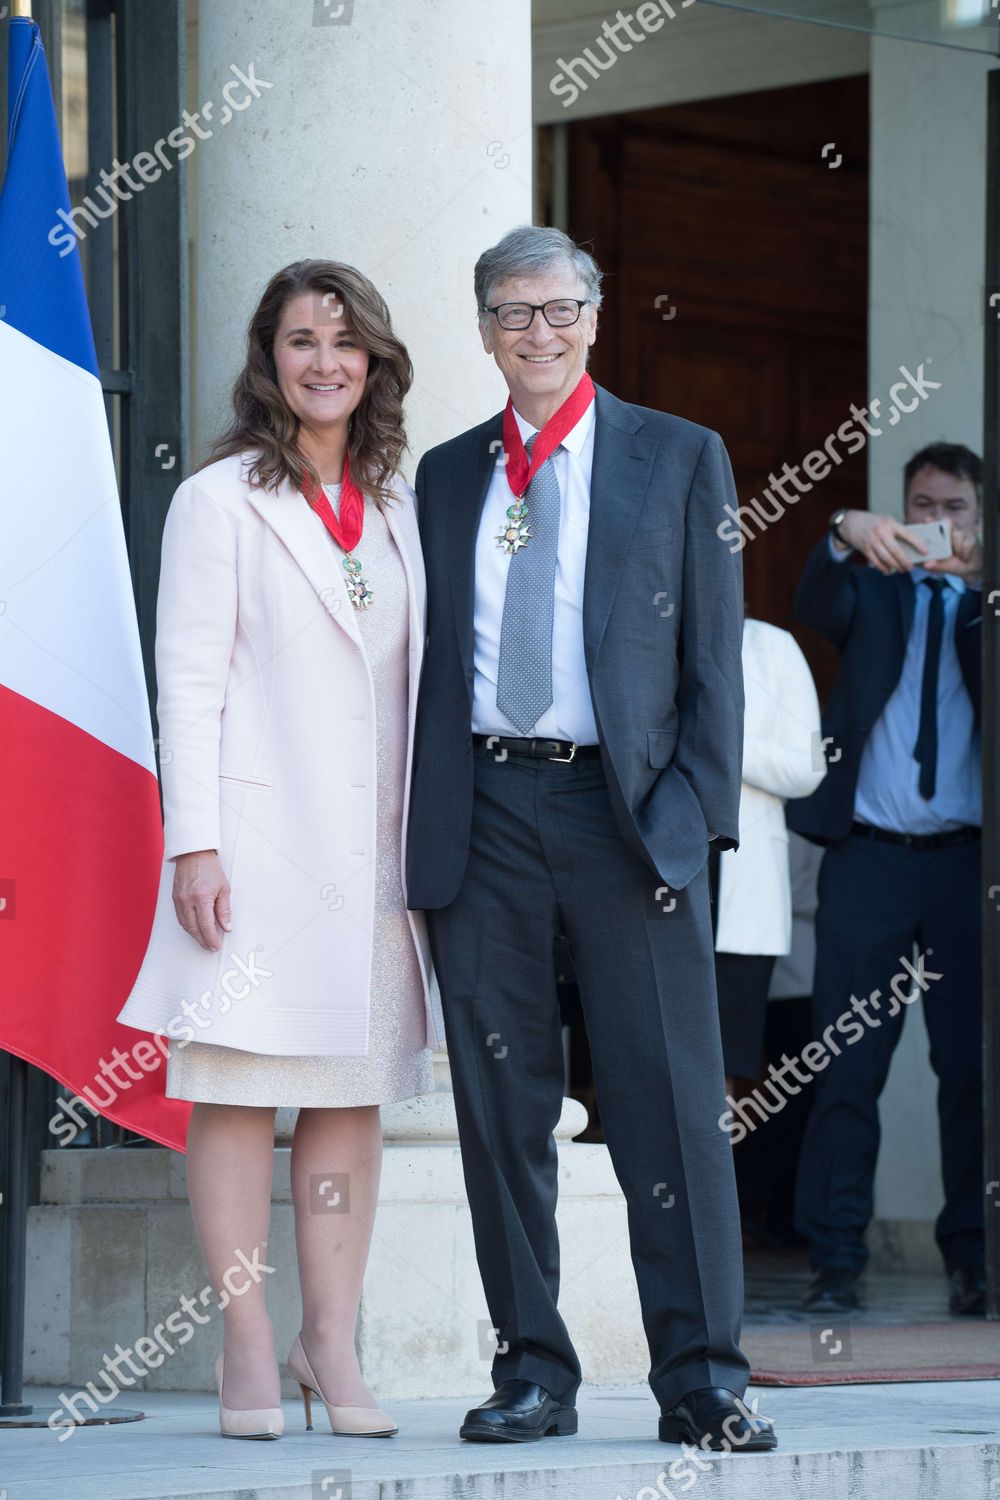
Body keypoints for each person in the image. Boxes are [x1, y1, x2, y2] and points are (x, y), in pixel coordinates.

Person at [405, 225, 776, 1453]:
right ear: (484, 331)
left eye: (559, 308)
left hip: (627, 817)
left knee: (669, 1101)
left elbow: (714, 660)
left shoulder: (679, 455)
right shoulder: (445, 476)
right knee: (501, 1108)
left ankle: (703, 1379)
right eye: (514, 312)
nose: (539, 331)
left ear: (595, 319)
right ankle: (533, 1371)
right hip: (482, 816)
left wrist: (686, 823)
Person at [118, 260, 442, 1437]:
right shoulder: (217, 501)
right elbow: (188, 682)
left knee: (350, 1096)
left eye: (346, 343)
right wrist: (194, 846)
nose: (325, 362)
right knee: (239, 1091)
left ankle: (328, 1343)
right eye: (302, 340)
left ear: (374, 362)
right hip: (257, 849)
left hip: (377, 856)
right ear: (268, 358)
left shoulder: (401, 503)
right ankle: (248, 1344)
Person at [786, 443, 984, 1315]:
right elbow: (811, 601)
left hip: (968, 870)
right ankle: (835, 1260)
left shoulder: (986, 605)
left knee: (971, 1070)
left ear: (980, 520)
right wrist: (843, 529)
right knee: (847, 1063)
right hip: (869, 859)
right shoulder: (872, 587)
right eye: (921, 506)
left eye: (954, 508)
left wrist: (980, 587)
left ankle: (976, 1258)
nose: (935, 522)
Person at [710, 617, 824, 1084]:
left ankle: (717, 1141)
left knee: (724, 1064)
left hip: (742, 886)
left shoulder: (772, 646)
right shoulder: (642, 632)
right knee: (639, 1060)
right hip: (648, 873)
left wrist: (722, 740)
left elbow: (810, 767)